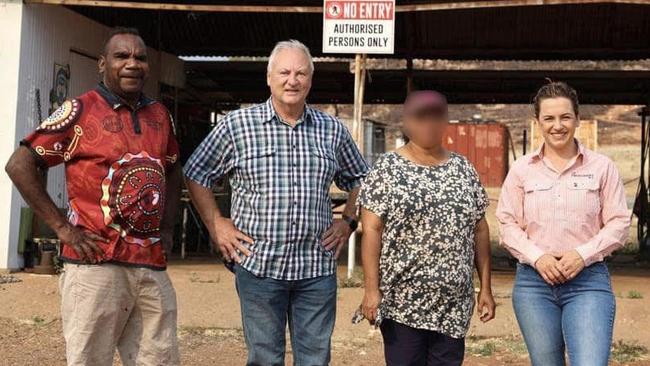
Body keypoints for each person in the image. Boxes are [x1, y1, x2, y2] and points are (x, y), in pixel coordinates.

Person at [183, 39, 369, 366]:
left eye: (300, 73)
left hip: (315, 266)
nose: (292, 80)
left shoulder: (332, 130)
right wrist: (217, 224)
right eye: (284, 72)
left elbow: (361, 178)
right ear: (269, 78)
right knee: (265, 359)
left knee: (314, 359)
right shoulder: (237, 126)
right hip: (259, 265)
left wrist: (349, 221)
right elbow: (196, 172)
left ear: (310, 81)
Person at [5, 27, 181, 366]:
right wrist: (62, 228)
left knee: (160, 359)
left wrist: (169, 228)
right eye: (122, 56)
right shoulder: (79, 111)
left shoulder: (160, 115)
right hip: (95, 267)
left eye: (140, 57)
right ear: (102, 64)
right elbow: (20, 165)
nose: (132, 63)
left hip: (150, 267)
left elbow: (173, 169)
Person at [496, 81, 630, 366]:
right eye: (549, 118)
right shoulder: (522, 170)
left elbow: (618, 222)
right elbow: (507, 224)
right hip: (534, 284)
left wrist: (582, 255)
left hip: (588, 281)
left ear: (577, 119)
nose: (558, 125)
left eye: (565, 117)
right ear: (538, 122)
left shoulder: (602, 167)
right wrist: (538, 257)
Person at [359, 90, 496, 366]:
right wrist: (371, 290)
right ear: (406, 121)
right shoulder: (386, 169)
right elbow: (371, 230)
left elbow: (480, 230)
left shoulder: (463, 169)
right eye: (421, 117)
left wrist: (486, 288)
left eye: (437, 116)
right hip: (402, 303)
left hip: (453, 304)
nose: (429, 123)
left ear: (446, 119)